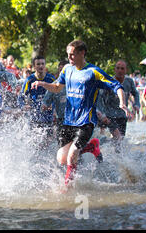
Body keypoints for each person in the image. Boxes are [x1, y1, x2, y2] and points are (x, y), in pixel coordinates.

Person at [31, 40, 128, 190]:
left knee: (72, 156)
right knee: (61, 158)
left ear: (82, 53)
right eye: (68, 55)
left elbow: (117, 86)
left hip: (86, 121)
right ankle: (91, 147)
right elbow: (57, 87)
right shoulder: (67, 70)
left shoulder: (93, 72)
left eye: (72, 55)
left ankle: (67, 188)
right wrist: (43, 84)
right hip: (69, 121)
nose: (69, 58)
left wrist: (122, 102)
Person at [97, 60, 141, 151]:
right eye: (118, 68)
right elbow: (99, 98)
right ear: (115, 70)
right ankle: (100, 144)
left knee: (119, 141)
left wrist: (136, 104)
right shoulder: (109, 81)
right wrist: (102, 114)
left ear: (126, 70)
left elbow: (135, 93)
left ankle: (108, 152)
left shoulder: (129, 81)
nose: (120, 70)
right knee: (118, 138)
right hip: (110, 116)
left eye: (122, 68)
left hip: (122, 116)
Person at [18, 55, 55, 131]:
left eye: (42, 64)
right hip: (34, 117)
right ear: (34, 67)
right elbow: (20, 96)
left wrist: (53, 105)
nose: (41, 66)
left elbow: (57, 95)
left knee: (47, 141)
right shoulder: (29, 80)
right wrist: (23, 106)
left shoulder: (51, 79)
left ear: (45, 65)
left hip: (48, 117)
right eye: (38, 64)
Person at [42, 60, 68, 141]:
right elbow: (45, 104)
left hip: (76, 120)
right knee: (62, 146)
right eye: (61, 70)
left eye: (65, 70)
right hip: (61, 120)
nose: (62, 73)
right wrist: (45, 106)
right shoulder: (54, 85)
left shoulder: (77, 83)